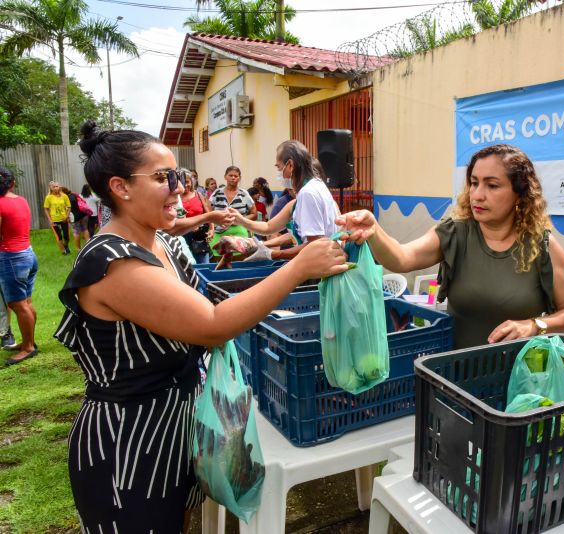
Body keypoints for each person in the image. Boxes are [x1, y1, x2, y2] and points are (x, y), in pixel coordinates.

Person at [53, 120, 347, 532]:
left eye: (176, 175)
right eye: (162, 177)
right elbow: (211, 324)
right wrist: (299, 266)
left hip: (174, 430)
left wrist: (235, 255)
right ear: (120, 187)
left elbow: (196, 303)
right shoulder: (114, 263)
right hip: (130, 444)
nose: (178, 186)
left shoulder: (161, 241)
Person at [338, 144, 564, 349]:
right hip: (457, 374)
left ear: (519, 193)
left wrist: (534, 325)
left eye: (492, 185)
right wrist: (374, 231)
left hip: (521, 383)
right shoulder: (456, 232)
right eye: (474, 183)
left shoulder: (542, 246)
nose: (477, 194)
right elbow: (402, 258)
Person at [231, 141, 340, 260]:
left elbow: (315, 246)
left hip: (320, 267)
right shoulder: (315, 187)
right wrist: (242, 221)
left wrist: (272, 254)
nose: (278, 173)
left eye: (278, 167)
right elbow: (269, 227)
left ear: (290, 165)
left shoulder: (308, 193)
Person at [0, 166, 38, 365]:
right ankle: (29, 341)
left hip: (11, 258)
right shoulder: (21, 200)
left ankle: (28, 347)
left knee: (17, 304)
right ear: (12, 184)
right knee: (26, 302)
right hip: (28, 254)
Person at [208, 166, 256, 255]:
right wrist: (211, 228)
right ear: (225, 177)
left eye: (236, 176)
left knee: (239, 261)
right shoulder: (217, 193)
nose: (233, 178)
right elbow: (209, 212)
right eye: (230, 175)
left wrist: (240, 219)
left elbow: (254, 213)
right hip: (219, 232)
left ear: (239, 178)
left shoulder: (244, 194)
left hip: (239, 233)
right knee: (219, 261)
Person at [180, 173, 213, 264]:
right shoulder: (175, 197)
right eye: (182, 182)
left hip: (199, 236)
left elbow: (208, 213)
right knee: (187, 264)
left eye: (187, 182)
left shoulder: (198, 195)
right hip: (182, 235)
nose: (185, 185)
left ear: (191, 182)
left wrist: (211, 228)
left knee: (204, 264)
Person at [43, 180, 71, 254]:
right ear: (51, 188)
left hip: (64, 219)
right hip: (55, 220)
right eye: (54, 187)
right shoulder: (48, 197)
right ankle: (63, 251)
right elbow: (46, 209)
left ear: (59, 187)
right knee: (59, 236)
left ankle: (66, 246)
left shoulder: (64, 196)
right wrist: (50, 220)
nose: (56, 188)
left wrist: (67, 216)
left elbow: (69, 206)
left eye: (57, 186)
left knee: (66, 236)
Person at [62, 186, 90, 251]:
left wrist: (67, 217)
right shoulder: (74, 194)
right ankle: (88, 246)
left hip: (74, 217)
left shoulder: (65, 198)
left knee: (76, 232)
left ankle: (78, 249)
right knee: (85, 229)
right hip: (83, 214)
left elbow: (66, 209)